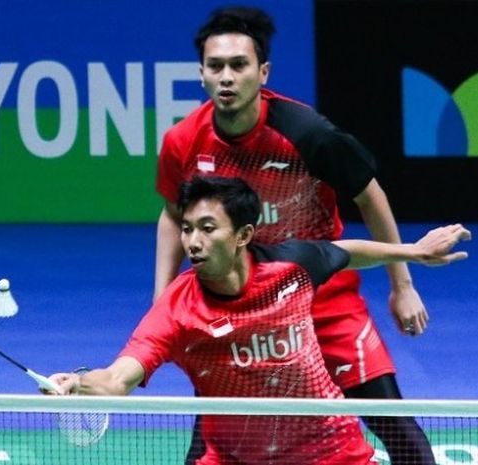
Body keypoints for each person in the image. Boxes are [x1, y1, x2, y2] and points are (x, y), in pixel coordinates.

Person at [154, 6, 439, 465]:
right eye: (216, 66)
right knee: (211, 445)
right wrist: (164, 302)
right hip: (239, 312)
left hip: (324, 298)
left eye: (239, 65)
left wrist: (402, 286)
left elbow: (370, 195)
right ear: (201, 74)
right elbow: (172, 215)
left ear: (262, 72)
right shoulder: (183, 140)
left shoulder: (307, 133)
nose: (227, 77)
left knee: (398, 431)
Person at [49, 176, 471, 465]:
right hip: (235, 457)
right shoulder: (176, 309)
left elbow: (347, 251)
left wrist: (414, 253)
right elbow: (118, 379)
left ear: (243, 235)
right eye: (188, 229)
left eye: (208, 228)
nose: (193, 242)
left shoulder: (292, 266)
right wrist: (79, 383)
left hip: (329, 450)